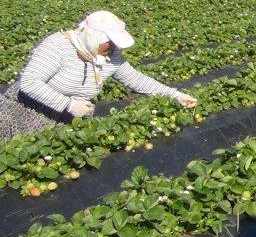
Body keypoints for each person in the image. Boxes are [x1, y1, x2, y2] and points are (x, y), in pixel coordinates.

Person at [1, 10, 198, 140]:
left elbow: (137, 80)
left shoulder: (111, 55)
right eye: (109, 42)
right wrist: (69, 105)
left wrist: (176, 95)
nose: (113, 47)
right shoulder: (58, 45)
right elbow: (29, 83)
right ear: (93, 36)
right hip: (26, 110)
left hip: (65, 117)